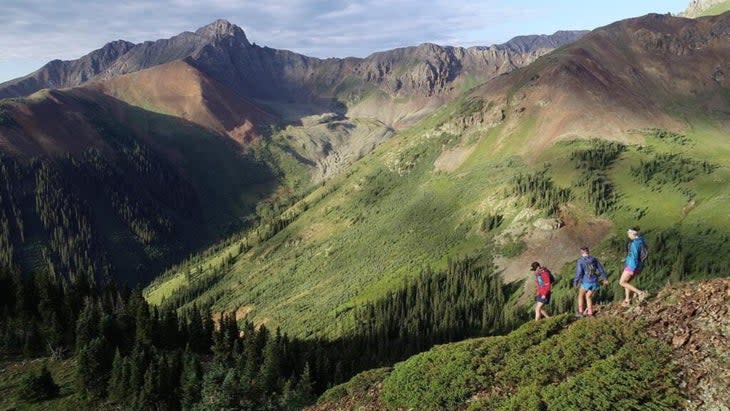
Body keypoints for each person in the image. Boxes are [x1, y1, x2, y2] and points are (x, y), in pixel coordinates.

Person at [573, 246, 608, 317]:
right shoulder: (595, 259)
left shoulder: (580, 261)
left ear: (581, 252)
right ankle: (590, 313)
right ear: (588, 251)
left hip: (586, 281)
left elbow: (579, 273)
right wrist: (605, 279)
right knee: (588, 296)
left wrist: (575, 282)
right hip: (595, 282)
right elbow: (601, 270)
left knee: (580, 295)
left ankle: (580, 312)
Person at [619, 227, 648, 307]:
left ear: (632, 234)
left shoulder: (634, 243)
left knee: (622, 282)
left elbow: (634, 256)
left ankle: (640, 293)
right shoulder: (641, 240)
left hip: (632, 266)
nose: (628, 235)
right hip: (639, 265)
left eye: (629, 234)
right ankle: (627, 300)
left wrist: (632, 268)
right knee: (626, 282)